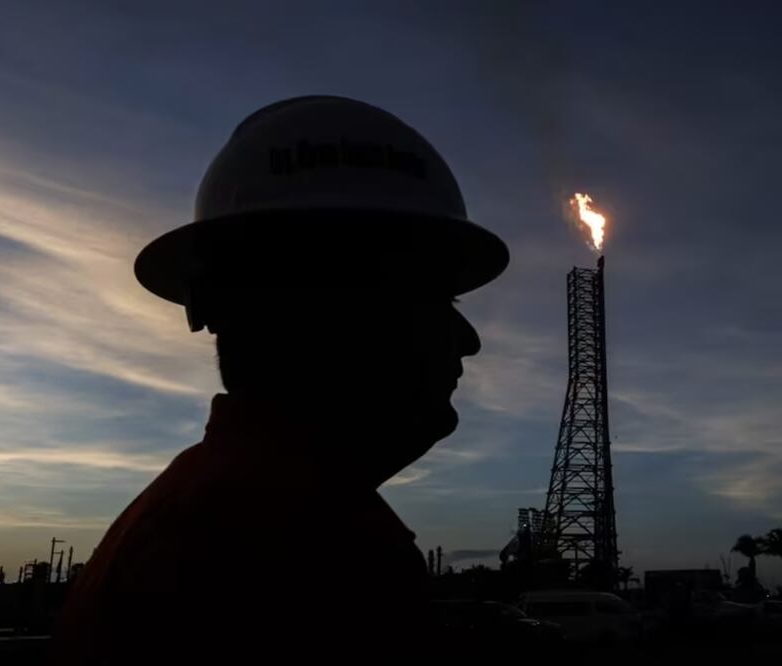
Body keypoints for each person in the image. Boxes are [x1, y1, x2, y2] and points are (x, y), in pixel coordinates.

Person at [55, 96, 509, 664]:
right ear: (315, 310)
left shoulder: (236, 516)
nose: (468, 339)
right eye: (434, 298)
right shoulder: (292, 551)